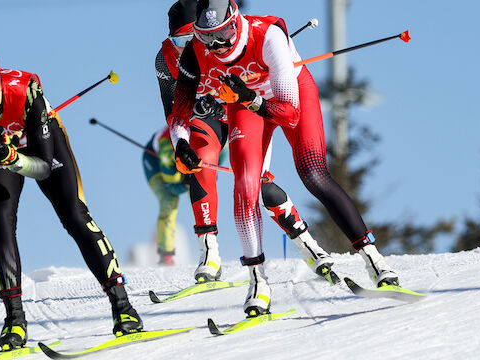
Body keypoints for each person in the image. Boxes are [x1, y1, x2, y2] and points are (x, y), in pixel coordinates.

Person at [168, 0, 400, 316]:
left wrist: (250, 98)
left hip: (287, 96)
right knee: (245, 186)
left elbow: (289, 115)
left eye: (222, 34)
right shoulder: (195, 51)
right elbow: (179, 114)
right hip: (245, 103)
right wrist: (181, 145)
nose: (217, 45)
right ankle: (258, 282)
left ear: (235, 22)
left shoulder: (268, 35)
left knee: (313, 174)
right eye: (208, 37)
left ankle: (375, 262)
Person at [0, 47, 143, 351]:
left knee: (75, 215)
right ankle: (15, 321)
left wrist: (9, 156)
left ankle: (123, 307)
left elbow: (44, 166)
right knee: (0, 222)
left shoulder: (26, 92)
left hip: (38, 147)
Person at [158, 0, 335, 290]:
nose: (189, 45)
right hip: (210, 118)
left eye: (194, 35)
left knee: (257, 186)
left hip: (243, 111)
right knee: (201, 161)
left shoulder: (216, 44)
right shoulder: (166, 59)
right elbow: (174, 111)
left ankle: (307, 244)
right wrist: (186, 136)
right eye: (179, 39)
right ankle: (209, 252)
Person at [142, 126, 190, 266]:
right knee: (169, 200)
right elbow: (171, 188)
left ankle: (208, 244)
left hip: (181, 159)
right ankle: (166, 255)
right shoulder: (167, 149)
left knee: (199, 194)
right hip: (156, 163)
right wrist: (185, 185)